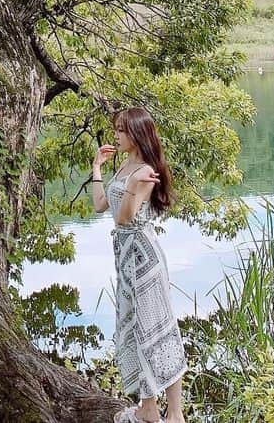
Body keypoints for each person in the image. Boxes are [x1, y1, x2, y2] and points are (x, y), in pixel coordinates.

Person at [90, 106, 187, 423]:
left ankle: (175, 414)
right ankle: (148, 406)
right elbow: (100, 205)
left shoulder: (145, 171)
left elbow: (125, 217)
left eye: (121, 129)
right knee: (135, 328)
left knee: (159, 329)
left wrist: (135, 186)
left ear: (136, 133)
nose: (116, 135)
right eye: (116, 129)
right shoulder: (126, 166)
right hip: (126, 258)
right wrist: (97, 167)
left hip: (144, 258)